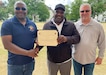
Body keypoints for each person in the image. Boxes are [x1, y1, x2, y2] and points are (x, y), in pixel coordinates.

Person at [1, 1, 38, 75]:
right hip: (15, 65)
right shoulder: (7, 24)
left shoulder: (32, 24)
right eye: (17, 8)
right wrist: (27, 53)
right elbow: (7, 45)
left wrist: (38, 47)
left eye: (23, 9)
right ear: (14, 10)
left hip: (29, 63)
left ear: (26, 10)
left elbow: (37, 39)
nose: (20, 10)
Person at [42, 4, 80, 75]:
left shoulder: (70, 25)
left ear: (64, 13)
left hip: (66, 60)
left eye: (61, 12)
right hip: (51, 61)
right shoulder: (47, 26)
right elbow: (43, 40)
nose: (59, 14)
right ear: (54, 12)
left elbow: (77, 38)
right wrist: (37, 49)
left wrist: (66, 39)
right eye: (57, 12)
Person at [73, 3, 105, 75]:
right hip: (76, 58)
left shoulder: (98, 26)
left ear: (91, 11)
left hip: (90, 59)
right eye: (82, 11)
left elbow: (102, 43)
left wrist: (100, 56)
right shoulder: (75, 26)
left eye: (87, 11)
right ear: (79, 12)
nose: (84, 13)